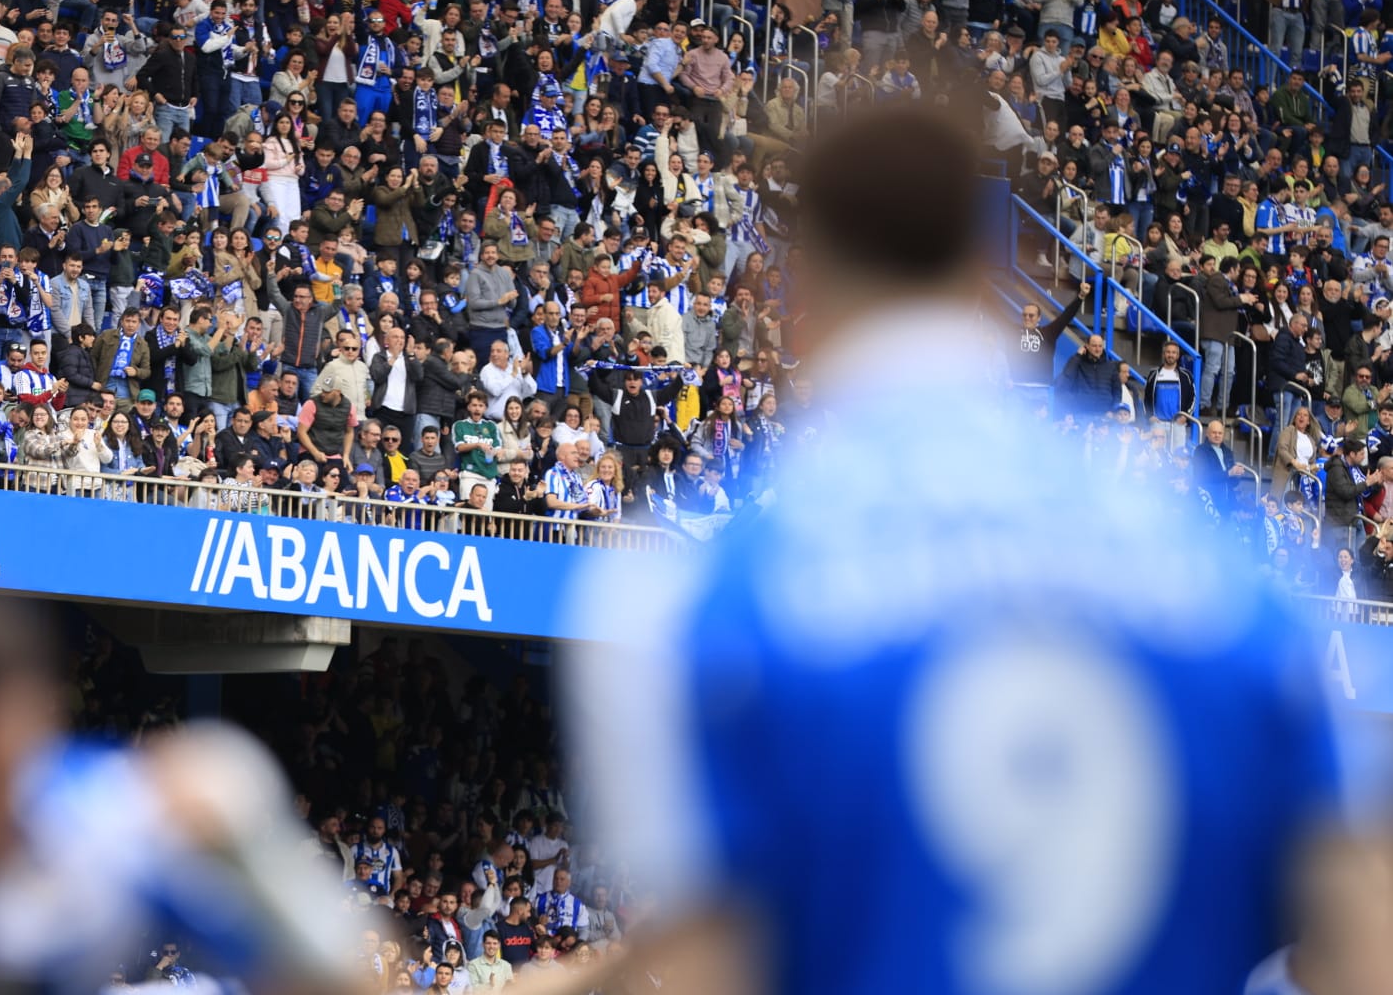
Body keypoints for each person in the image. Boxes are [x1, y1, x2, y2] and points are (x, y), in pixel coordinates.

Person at [565, 105, 1350, 995]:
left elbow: (713, 961)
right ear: (984, 271)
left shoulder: (698, 591)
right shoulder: (1231, 577)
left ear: (805, 290)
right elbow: (1360, 942)